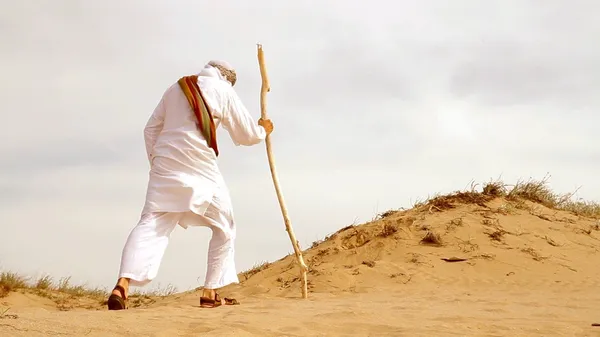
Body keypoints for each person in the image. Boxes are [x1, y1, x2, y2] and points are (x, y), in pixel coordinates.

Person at [107, 60, 273, 310]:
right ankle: (210, 291)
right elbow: (245, 134)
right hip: (199, 166)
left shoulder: (176, 88)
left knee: (151, 222)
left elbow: (150, 130)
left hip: (165, 165)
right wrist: (263, 130)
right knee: (224, 224)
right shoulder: (224, 90)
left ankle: (122, 285)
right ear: (226, 78)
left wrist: (158, 162)